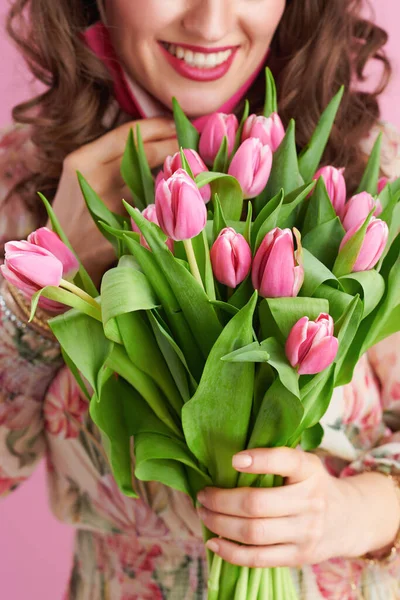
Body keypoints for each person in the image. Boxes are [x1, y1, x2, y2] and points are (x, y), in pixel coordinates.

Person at [1, 0, 400, 597]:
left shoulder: (370, 178)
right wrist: (55, 272)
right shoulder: (24, 183)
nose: (211, 23)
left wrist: (355, 512)